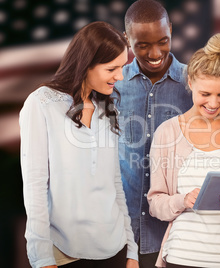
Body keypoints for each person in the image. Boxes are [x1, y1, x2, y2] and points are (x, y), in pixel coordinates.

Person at [19, 21, 139, 268]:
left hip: (116, 249)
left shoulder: (108, 109)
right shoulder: (41, 104)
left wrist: (132, 250)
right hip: (64, 252)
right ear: (86, 64)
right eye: (112, 68)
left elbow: (115, 184)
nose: (120, 76)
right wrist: (41, 257)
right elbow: (35, 185)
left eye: (122, 67)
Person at [147, 33, 220, 268]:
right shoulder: (167, 132)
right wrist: (183, 200)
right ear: (190, 83)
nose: (213, 103)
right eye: (205, 94)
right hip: (183, 257)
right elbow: (155, 203)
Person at [115, 0, 193, 267]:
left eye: (163, 40)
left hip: (178, 234)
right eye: (143, 45)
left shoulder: (193, 84)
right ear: (127, 39)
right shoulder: (114, 85)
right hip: (122, 233)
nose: (155, 52)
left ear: (171, 29)